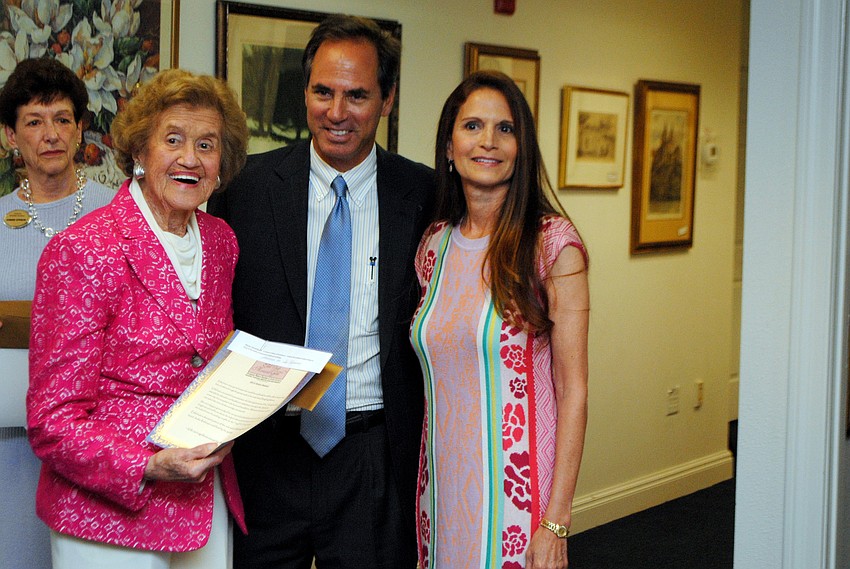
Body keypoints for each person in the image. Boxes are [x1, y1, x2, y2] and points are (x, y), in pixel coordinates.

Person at [207, 14, 434, 569]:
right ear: (304, 90)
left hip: (371, 456)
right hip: (268, 452)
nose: (336, 113)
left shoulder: (424, 194)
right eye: (322, 92)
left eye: (357, 95)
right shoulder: (245, 189)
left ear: (387, 99)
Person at [26, 68, 249, 569]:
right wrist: (146, 465)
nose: (190, 158)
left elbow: (208, 360)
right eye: (173, 140)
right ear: (141, 153)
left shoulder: (220, 242)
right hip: (109, 512)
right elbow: (51, 420)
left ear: (221, 163)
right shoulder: (83, 250)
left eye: (207, 145)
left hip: (204, 497)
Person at [410, 70, 590, 569]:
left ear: (521, 147)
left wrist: (556, 522)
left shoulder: (551, 244)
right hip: (442, 494)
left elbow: (573, 390)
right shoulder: (433, 247)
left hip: (521, 500)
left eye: (505, 129)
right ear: (450, 145)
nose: (488, 142)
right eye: (472, 127)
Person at [0, 56, 115, 569]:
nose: (50, 134)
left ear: (80, 129)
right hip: (9, 448)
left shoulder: (122, 215)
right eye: (33, 121)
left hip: (100, 445)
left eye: (63, 118)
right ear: (9, 136)